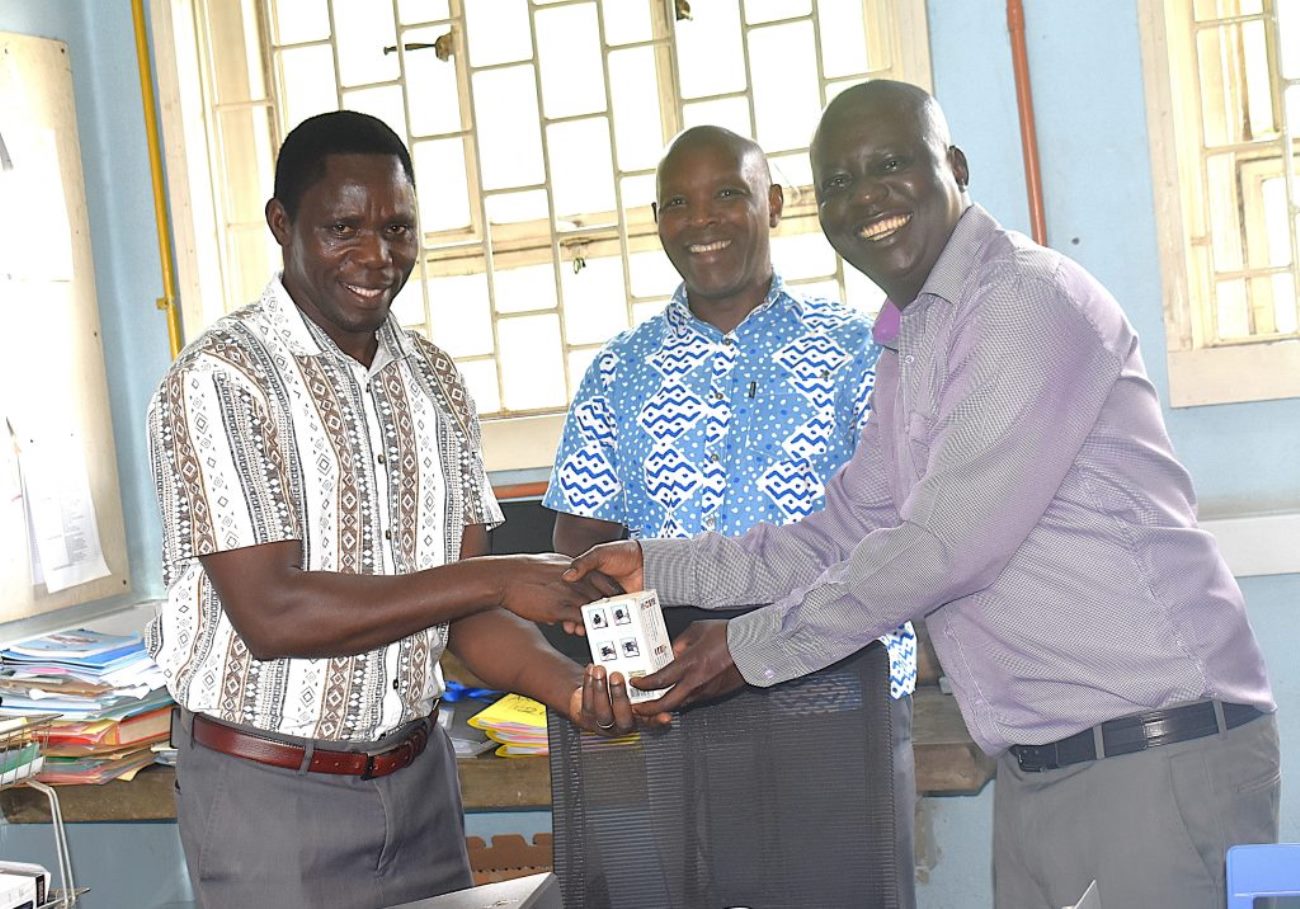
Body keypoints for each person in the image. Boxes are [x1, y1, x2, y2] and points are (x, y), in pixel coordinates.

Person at [567, 81, 1279, 909]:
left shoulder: (1022, 302)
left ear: (957, 168)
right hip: (1043, 765)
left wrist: (747, 648)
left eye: (891, 165)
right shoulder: (911, 340)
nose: (864, 197)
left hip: (1149, 757)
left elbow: (943, 546)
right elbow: (841, 532)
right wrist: (655, 564)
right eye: (839, 182)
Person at [145, 110, 628, 909]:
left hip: (418, 784)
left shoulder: (436, 383)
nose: (377, 256)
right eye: (343, 227)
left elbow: (468, 617)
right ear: (281, 222)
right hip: (270, 794)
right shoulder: (221, 381)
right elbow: (275, 612)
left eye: (398, 228)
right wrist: (500, 576)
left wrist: (574, 690)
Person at [544, 124, 918, 906]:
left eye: (727, 195)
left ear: (773, 204)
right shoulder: (618, 369)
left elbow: (895, 524)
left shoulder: (856, 350)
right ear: (657, 220)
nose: (702, 219)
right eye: (678, 202)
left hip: (831, 695)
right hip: (670, 712)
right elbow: (577, 535)